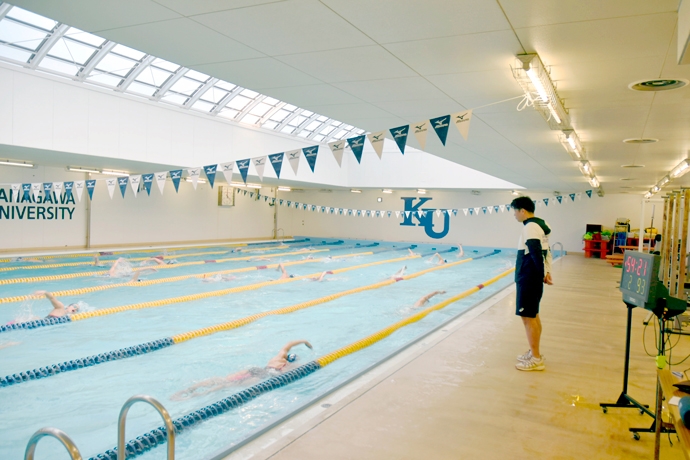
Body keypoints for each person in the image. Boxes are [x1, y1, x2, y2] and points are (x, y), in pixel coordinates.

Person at [170, 340, 313, 400]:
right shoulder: (291, 367)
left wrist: (305, 341)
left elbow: (289, 344)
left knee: (224, 379)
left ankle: (187, 390)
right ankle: (200, 395)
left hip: (257, 369)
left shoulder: (279, 356)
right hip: (264, 375)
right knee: (229, 385)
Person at [511, 196, 553, 372]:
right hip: (532, 277)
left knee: (528, 317)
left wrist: (542, 273)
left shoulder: (530, 227)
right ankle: (534, 352)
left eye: (515, 211)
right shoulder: (539, 226)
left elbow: (536, 253)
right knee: (533, 315)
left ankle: (536, 358)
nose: (514, 215)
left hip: (528, 277)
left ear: (523, 211)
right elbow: (546, 252)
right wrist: (547, 271)